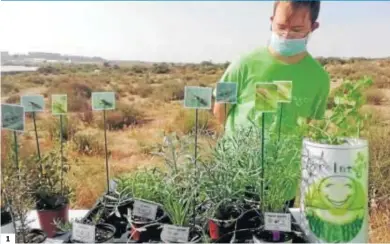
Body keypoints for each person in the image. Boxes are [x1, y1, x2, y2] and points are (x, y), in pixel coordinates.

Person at [213, 1, 330, 208]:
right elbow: (220, 110)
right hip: (235, 176)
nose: (286, 35)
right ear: (271, 22)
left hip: (282, 182)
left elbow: (311, 126)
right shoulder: (242, 63)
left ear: (313, 27)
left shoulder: (319, 78)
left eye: (296, 29)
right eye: (281, 27)